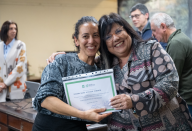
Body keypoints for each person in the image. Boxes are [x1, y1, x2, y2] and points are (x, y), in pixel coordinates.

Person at [48, 13, 192, 130]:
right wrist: (66, 56)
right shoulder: (103, 64)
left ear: (128, 30)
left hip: (167, 126)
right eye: (108, 37)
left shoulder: (151, 49)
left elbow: (170, 83)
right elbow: (84, 58)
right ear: (104, 43)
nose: (115, 38)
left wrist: (134, 101)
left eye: (118, 31)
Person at [32, 16, 111, 131]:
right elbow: (45, 99)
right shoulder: (61, 61)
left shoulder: (101, 70)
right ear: (76, 40)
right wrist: (83, 115)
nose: (91, 41)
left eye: (95, 35)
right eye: (85, 36)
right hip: (48, 127)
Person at [151, 12, 192, 117]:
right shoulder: (179, 38)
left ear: (163, 26)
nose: (153, 35)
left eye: (154, 30)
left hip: (186, 103)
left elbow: (170, 79)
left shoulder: (176, 43)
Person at [0, 20, 27, 102]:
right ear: (5, 30)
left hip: (16, 90)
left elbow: (20, 67)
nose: (14, 31)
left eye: (15, 28)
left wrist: (5, 83)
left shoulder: (21, 45)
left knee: (15, 114)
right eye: (11, 28)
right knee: (2, 114)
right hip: (0, 90)